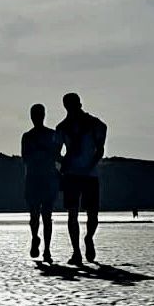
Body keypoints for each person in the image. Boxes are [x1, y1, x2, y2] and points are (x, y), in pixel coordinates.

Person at [55, 92, 107, 266]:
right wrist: (64, 163)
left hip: (89, 174)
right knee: (73, 214)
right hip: (73, 175)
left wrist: (91, 163)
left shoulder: (93, 123)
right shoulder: (62, 127)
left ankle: (88, 238)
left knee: (92, 215)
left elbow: (101, 146)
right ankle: (76, 252)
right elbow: (56, 152)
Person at [21, 104, 59, 264]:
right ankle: (36, 238)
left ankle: (47, 249)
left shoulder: (52, 134)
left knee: (46, 216)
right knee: (35, 215)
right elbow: (25, 158)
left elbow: (56, 154)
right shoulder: (27, 136)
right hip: (35, 178)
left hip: (46, 178)